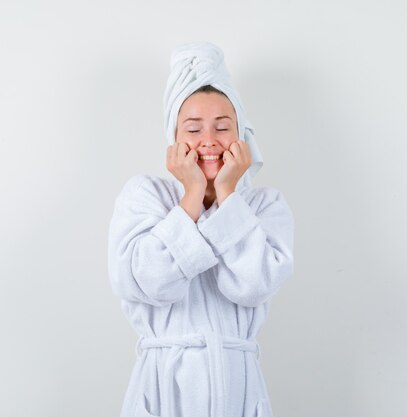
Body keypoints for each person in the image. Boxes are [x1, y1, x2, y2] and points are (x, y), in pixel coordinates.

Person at [107, 41, 295, 417]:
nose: (209, 140)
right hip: (162, 387)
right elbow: (148, 282)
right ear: (174, 138)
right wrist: (192, 194)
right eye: (193, 129)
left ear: (241, 136)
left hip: (238, 389)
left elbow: (253, 284)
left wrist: (226, 193)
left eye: (222, 127)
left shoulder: (264, 206)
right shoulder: (144, 196)